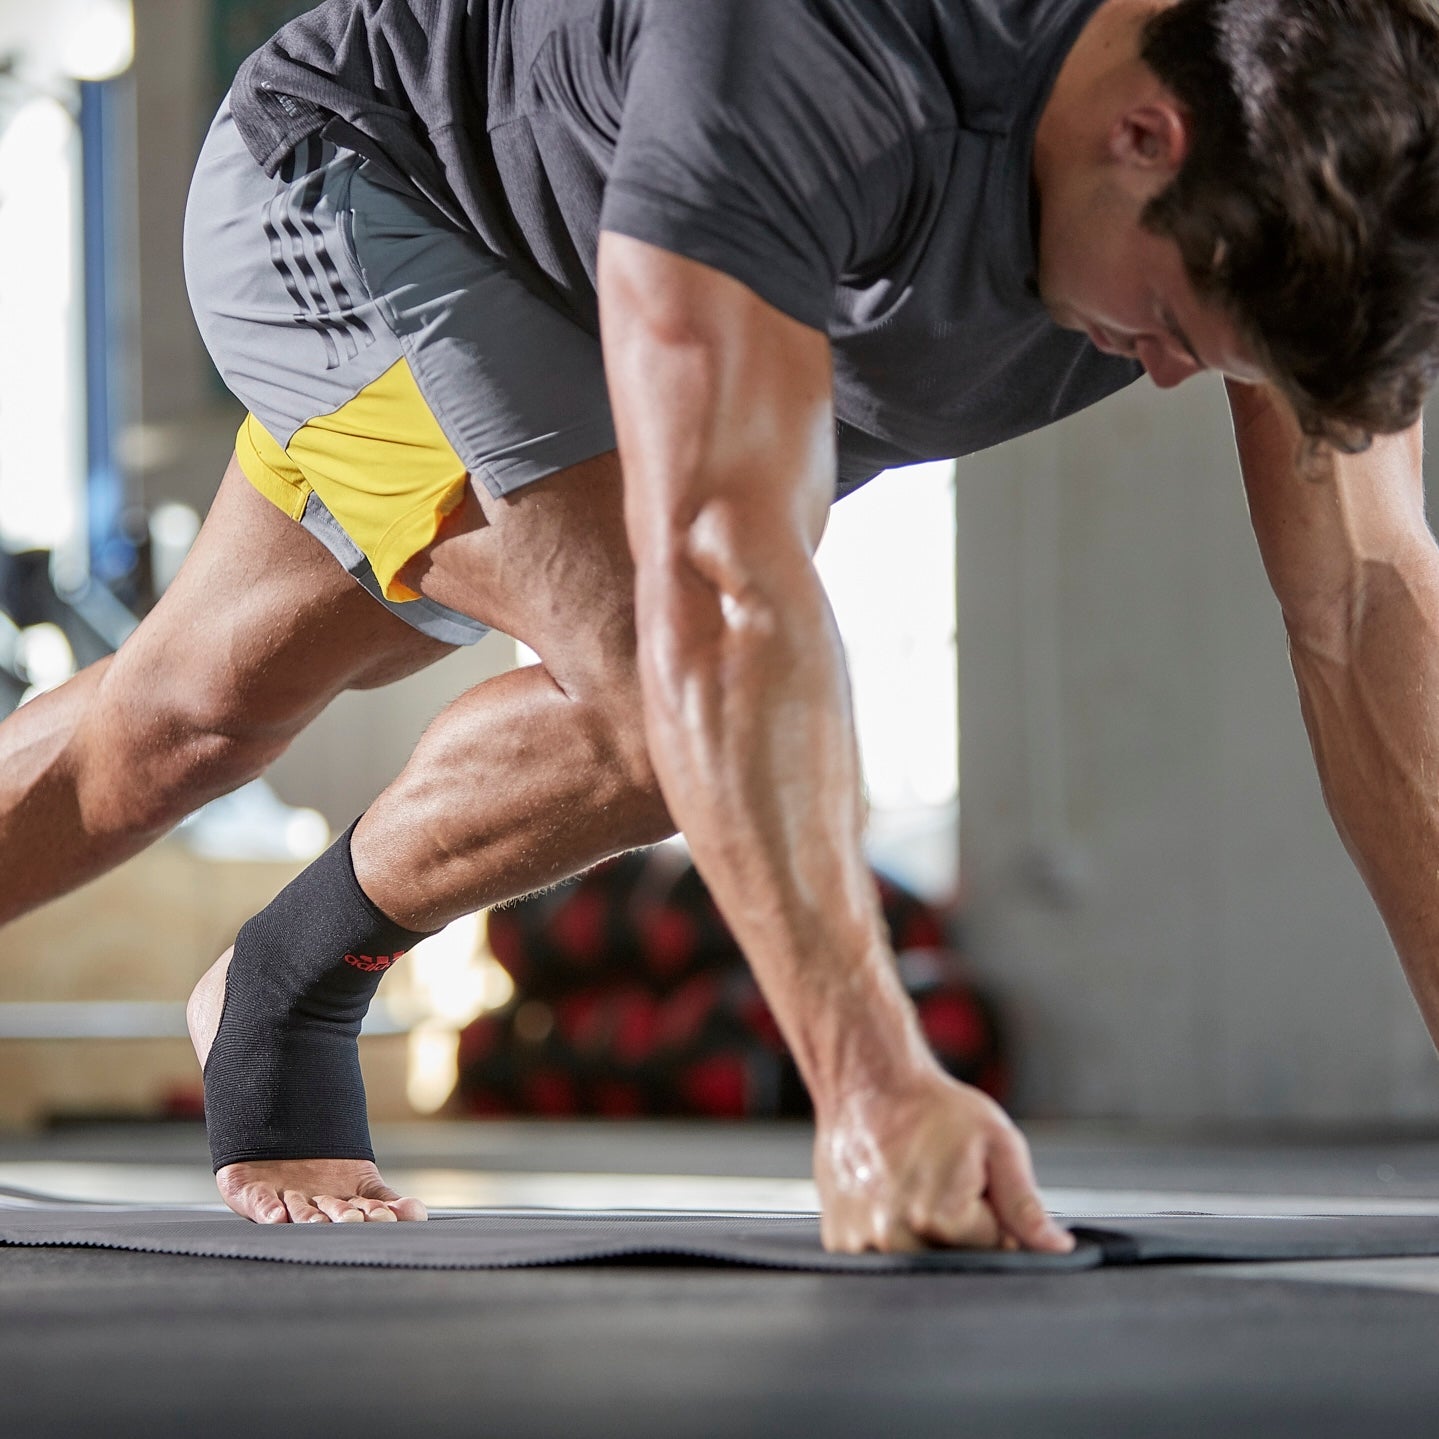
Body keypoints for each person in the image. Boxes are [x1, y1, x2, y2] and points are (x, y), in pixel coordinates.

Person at [4, 0, 1439, 1251]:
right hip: (380, 193)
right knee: (666, 688)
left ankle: (271, 978)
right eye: (1179, 321)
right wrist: (872, 1084)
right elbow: (719, 587)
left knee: (176, 722)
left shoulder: (1314, 134)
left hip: (609, 317)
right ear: (1146, 135)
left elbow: (1368, 605)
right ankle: (291, 983)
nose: (1177, 375)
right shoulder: (827, 49)